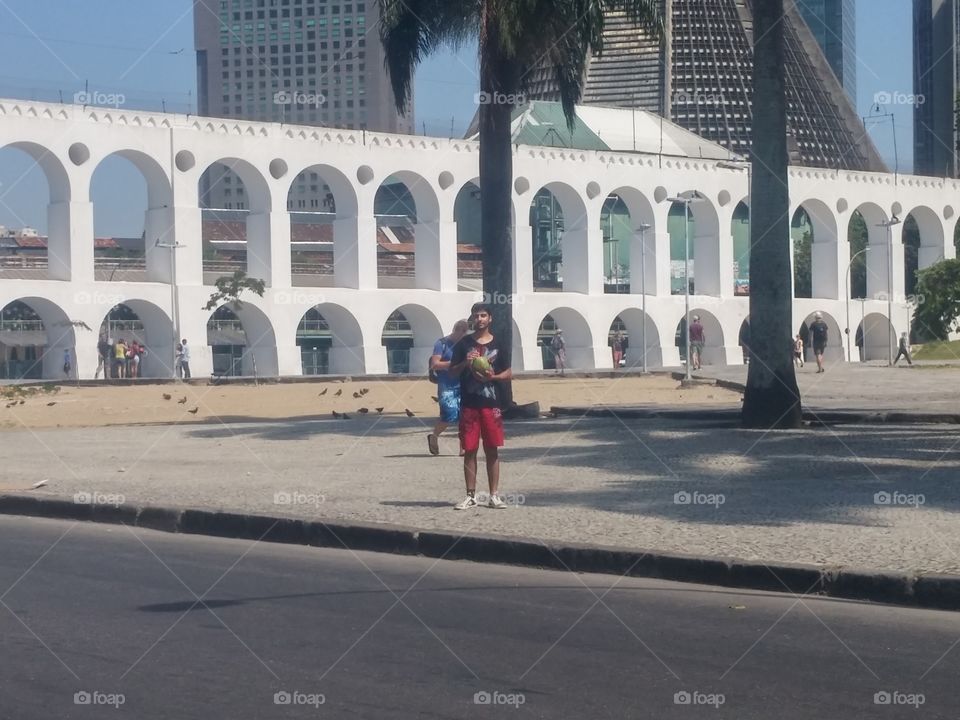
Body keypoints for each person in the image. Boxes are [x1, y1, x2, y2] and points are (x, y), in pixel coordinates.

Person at [448, 302, 512, 510]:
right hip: (469, 403)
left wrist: (494, 376)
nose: (480, 319)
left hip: (491, 404)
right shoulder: (464, 344)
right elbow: (452, 372)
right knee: (470, 449)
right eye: (476, 315)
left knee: (492, 449)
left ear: (490, 318)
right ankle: (470, 495)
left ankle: (494, 495)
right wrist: (465, 363)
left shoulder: (499, 343)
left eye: (483, 315)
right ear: (472, 319)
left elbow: (508, 372)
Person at [427, 319, 469, 456]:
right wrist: (454, 364)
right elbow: (435, 364)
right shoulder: (442, 343)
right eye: (460, 330)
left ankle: (463, 447)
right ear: (455, 329)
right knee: (448, 416)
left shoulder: (466, 344)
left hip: (463, 383)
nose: (462, 333)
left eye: (465, 331)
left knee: (465, 417)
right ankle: (434, 436)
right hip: (447, 385)